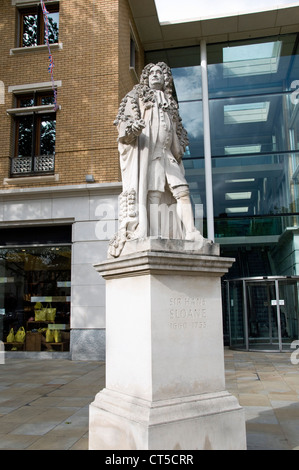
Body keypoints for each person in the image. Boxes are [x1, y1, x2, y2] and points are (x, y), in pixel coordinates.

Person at [109, 62, 203, 257]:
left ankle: (192, 233)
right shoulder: (135, 97)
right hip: (148, 154)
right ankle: (153, 234)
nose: (155, 75)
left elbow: (178, 132)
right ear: (146, 77)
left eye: (160, 72)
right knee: (153, 194)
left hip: (167, 155)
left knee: (182, 191)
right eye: (151, 72)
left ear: (166, 78)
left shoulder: (171, 104)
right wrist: (131, 130)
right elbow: (123, 122)